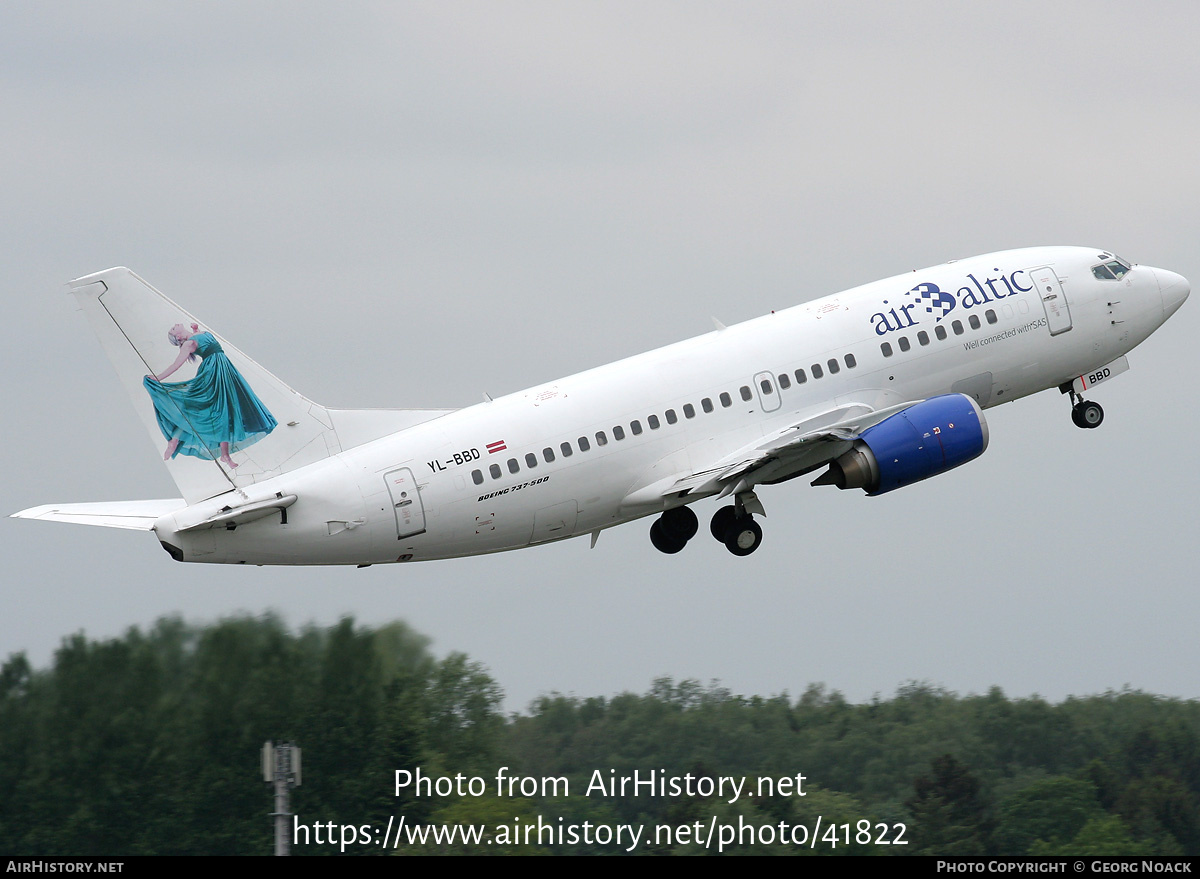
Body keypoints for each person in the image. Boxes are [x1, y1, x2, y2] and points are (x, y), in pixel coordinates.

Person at [143, 323, 277, 469]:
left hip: (225, 371)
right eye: (173, 329)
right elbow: (176, 365)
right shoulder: (188, 344)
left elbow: (205, 338)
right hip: (212, 373)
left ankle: (225, 455)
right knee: (214, 411)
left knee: (226, 411)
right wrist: (159, 377)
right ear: (179, 336)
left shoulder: (196, 335)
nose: (175, 325)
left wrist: (195, 330)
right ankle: (175, 438)